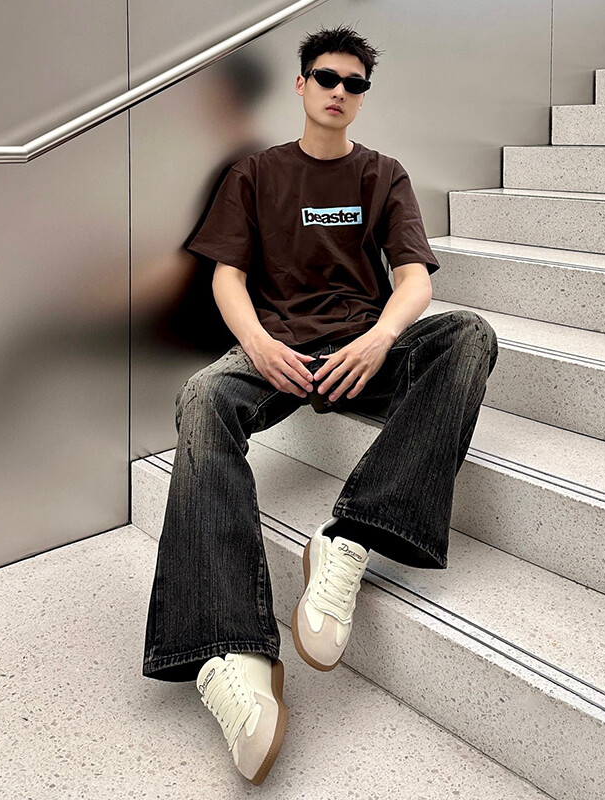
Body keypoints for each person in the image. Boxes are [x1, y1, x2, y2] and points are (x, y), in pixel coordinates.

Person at [142, 25, 499, 786]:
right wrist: (257, 343)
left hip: (359, 353)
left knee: (469, 335)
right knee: (203, 395)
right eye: (327, 78)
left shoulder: (383, 174)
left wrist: (380, 338)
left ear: (363, 96)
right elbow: (227, 277)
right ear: (301, 85)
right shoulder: (256, 173)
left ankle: (349, 539)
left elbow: (414, 278)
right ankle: (234, 652)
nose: (340, 91)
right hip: (278, 352)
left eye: (354, 83)